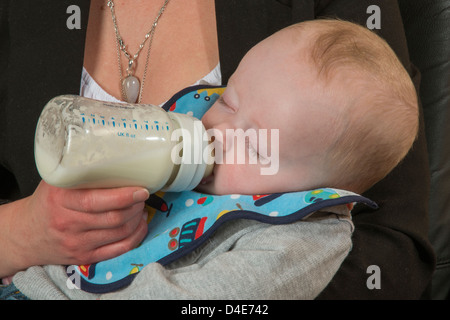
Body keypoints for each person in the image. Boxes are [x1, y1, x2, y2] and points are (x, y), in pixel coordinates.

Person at [0, 0, 434, 299]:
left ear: (318, 192)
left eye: (256, 148)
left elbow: (203, 301)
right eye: (226, 101)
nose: (219, 134)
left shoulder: (298, 240)